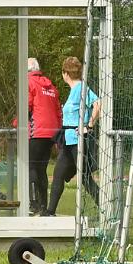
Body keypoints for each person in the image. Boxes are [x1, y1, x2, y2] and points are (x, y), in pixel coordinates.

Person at [43, 55, 100, 216]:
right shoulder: (74, 91)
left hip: (78, 140)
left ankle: (106, 208)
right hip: (68, 141)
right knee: (58, 174)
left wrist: (89, 125)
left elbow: (97, 104)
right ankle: (50, 211)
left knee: (85, 178)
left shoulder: (82, 88)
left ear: (65, 73)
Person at [25, 56, 61, 215]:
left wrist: (16, 123)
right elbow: (58, 111)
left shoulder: (28, 83)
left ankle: (33, 203)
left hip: (37, 131)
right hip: (51, 132)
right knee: (41, 169)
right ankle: (43, 205)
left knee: (30, 166)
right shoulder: (51, 86)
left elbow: (26, 106)